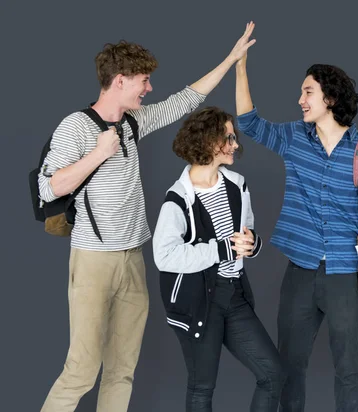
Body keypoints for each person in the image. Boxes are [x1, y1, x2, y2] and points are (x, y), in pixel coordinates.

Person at [38, 24, 256, 412]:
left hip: (133, 259)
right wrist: (98, 154)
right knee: (82, 369)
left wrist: (230, 59)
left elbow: (185, 100)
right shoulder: (75, 127)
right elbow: (48, 188)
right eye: (144, 80)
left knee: (122, 369)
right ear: (120, 81)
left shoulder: (132, 122)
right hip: (93, 260)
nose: (149, 88)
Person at [235, 36, 358, 412]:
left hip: (346, 271)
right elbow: (248, 123)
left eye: (308, 92)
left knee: (347, 369)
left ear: (331, 99)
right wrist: (240, 65)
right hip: (301, 268)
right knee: (289, 365)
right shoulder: (293, 138)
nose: (301, 100)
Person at [153, 106, 284, 412]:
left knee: (273, 373)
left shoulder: (236, 184)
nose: (236, 144)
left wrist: (252, 244)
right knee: (202, 388)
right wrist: (221, 250)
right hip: (199, 301)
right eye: (229, 137)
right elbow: (165, 256)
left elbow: (245, 230)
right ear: (210, 141)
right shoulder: (178, 199)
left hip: (234, 294)